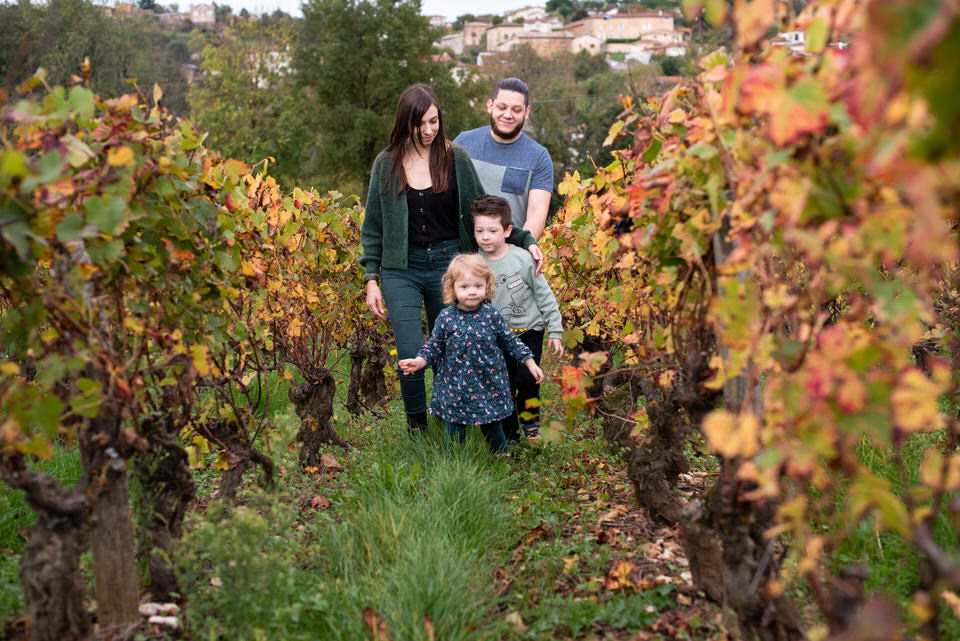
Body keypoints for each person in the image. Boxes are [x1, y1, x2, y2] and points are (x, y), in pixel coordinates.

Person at [359, 83, 543, 433]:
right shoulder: (386, 164)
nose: (428, 130)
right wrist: (371, 278)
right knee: (411, 352)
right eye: (420, 124)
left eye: (434, 121)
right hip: (402, 270)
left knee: (455, 351)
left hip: (450, 266)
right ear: (405, 122)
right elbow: (373, 227)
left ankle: (454, 426)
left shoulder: (454, 157)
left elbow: (481, 207)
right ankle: (418, 431)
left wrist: (522, 237)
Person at [398, 254, 544, 452]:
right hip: (456, 386)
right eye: (464, 287)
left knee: (492, 425)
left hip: (488, 383)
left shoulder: (492, 315)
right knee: (454, 429)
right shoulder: (446, 317)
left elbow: (511, 341)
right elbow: (434, 345)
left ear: (487, 286)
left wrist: (529, 362)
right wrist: (419, 361)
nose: (472, 292)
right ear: (453, 289)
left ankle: (502, 462)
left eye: (478, 286)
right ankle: (453, 465)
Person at [472, 195, 563, 443]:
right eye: (479, 230)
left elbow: (544, 296)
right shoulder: (476, 263)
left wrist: (555, 331)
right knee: (503, 384)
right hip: (497, 337)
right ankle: (508, 432)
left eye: (492, 230)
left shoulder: (523, 258)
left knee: (527, 378)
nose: (486, 236)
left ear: (508, 230)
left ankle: (531, 423)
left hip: (528, 330)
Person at [454, 77, 553, 240]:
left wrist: (520, 254)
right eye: (502, 107)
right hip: (463, 256)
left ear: (526, 112)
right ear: (490, 106)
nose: (508, 115)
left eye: (516, 110)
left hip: (509, 256)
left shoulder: (539, 157)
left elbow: (536, 216)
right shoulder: (462, 143)